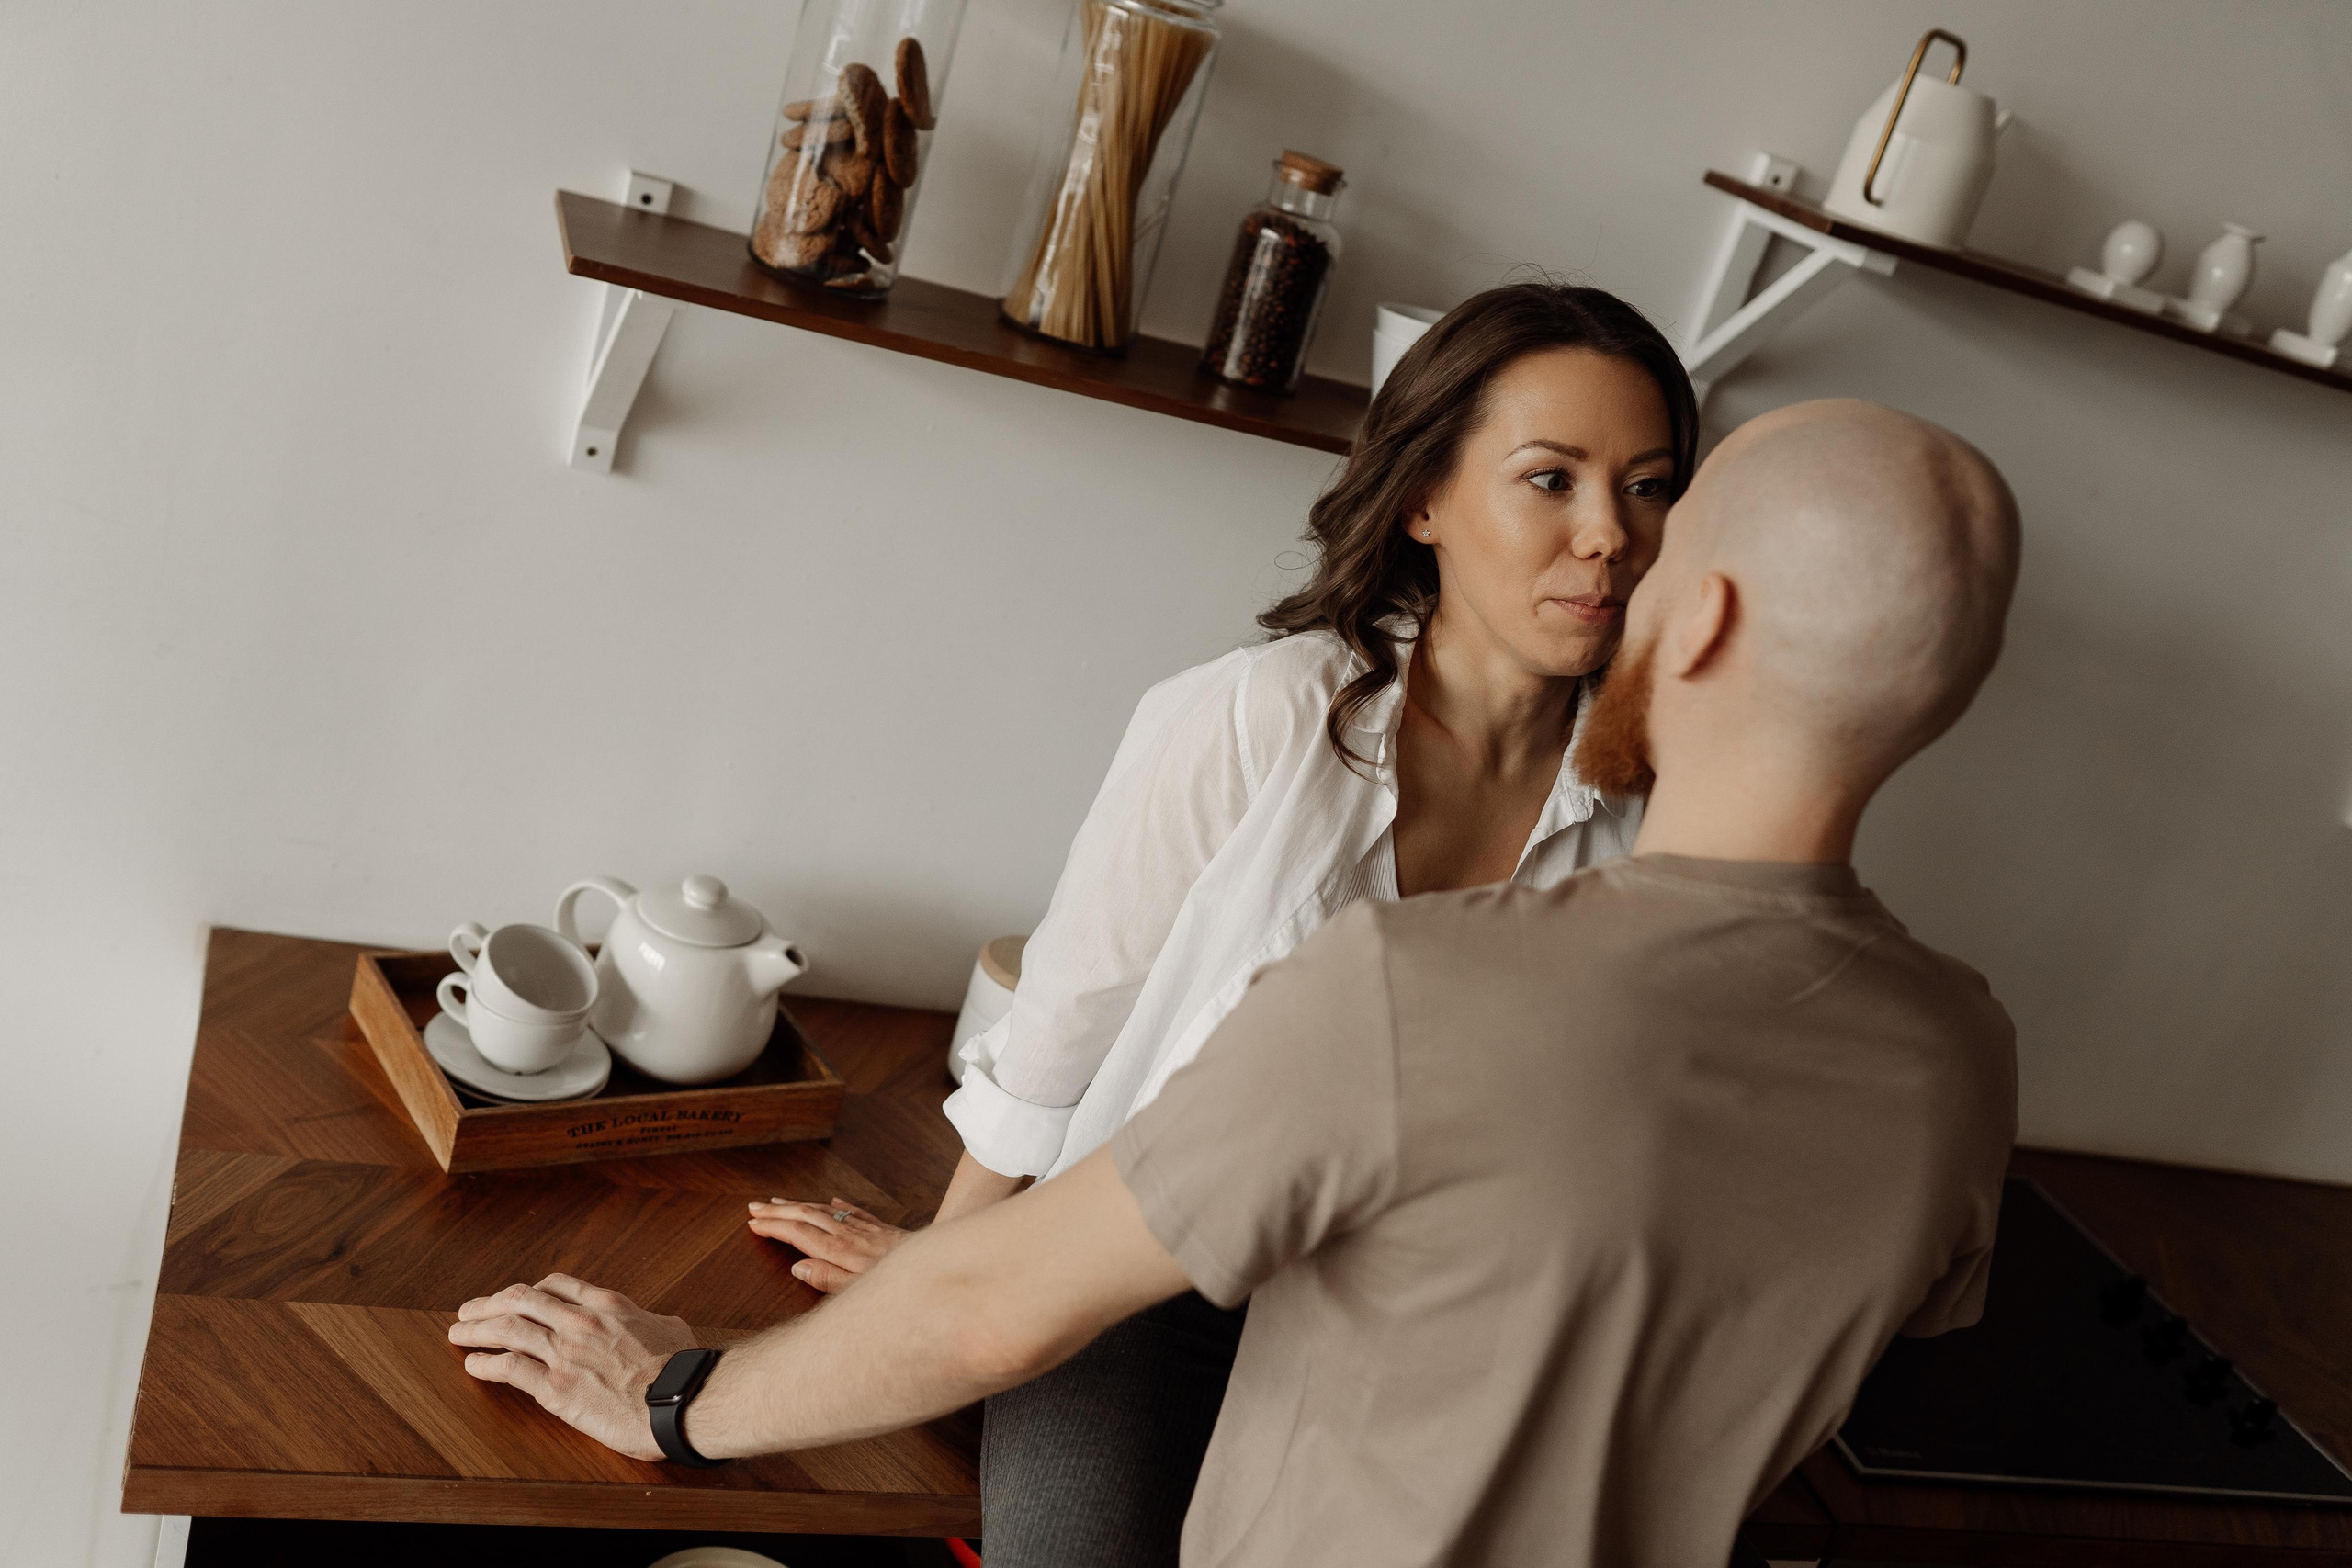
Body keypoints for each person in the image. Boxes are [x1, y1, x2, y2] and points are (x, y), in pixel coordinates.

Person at [452, 397, 2024, 1568]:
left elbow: (1000, 1319)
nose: (1615, 551)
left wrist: (675, 1396)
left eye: (1662, 520)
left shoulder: (1418, 989)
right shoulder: (1967, 1066)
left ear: (1709, 616)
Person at [741, 282, 1701, 1564]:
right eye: (1551, 480)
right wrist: (939, 1289)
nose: (1610, 538)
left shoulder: (1658, 808)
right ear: (1425, 501)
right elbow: (1059, 1038)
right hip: (1138, 1284)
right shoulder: (1255, 719)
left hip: (1419, 1331)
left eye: (1648, 487)